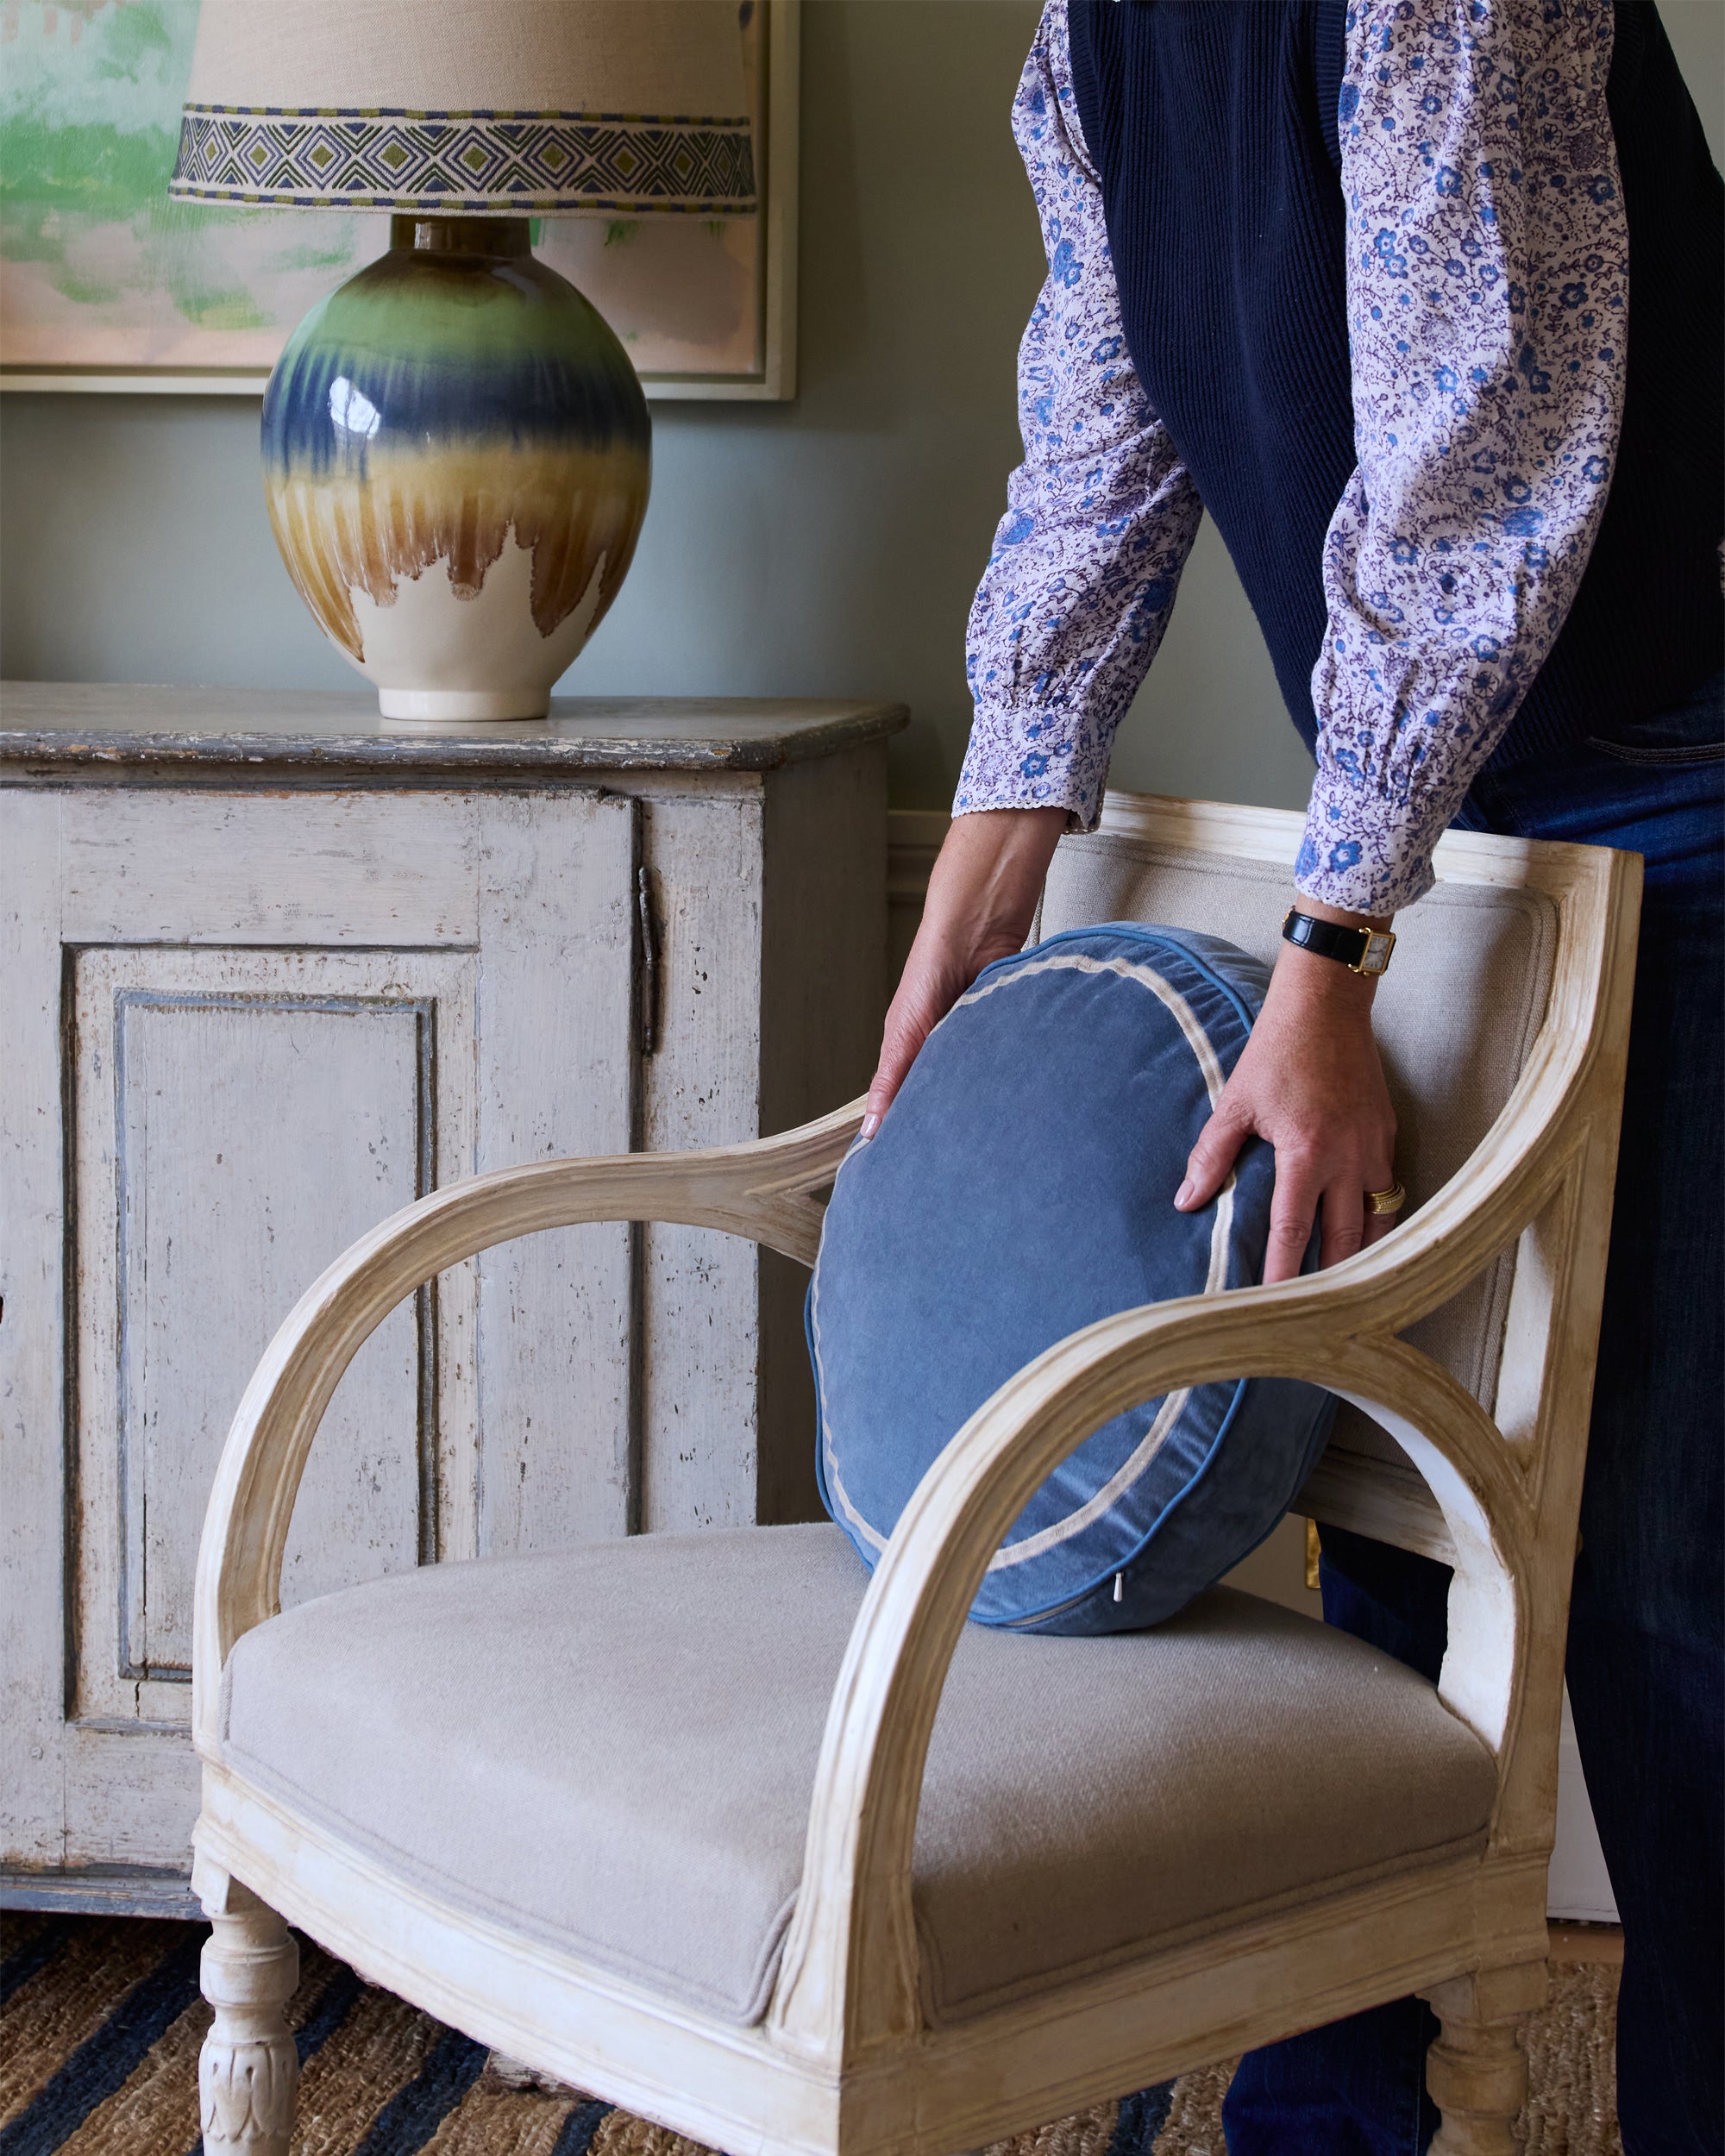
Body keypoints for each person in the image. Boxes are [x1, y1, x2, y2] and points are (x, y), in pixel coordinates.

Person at [865, 4, 1723, 2152]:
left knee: (1655, 1572)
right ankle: (1334, 2128)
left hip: (1671, 775)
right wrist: (995, 837)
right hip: (1428, 810)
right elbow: (1101, 426)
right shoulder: (1098, 36)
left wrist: (1335, 941)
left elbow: (1476, 466)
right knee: (1391, 1495)